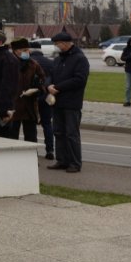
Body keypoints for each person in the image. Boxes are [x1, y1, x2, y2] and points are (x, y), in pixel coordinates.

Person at [47, 31, 89, 174]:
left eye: (57, 44)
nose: (56, 46)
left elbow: (79, 80)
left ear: (65, 43)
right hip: (57, 102)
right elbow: (50, 75)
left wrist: (58, 87)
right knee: (58, 132)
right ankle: (62, 160)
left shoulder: (79, 59)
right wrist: (49, 85)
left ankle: (75, 162)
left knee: (71, 134)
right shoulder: (58, 59)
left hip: (71, 102)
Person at [10, 38, 46, 143]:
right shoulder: (9, 63)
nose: (28, 52)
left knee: (31, 137)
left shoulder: (33, 64)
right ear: (16, 51)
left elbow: (42, 80)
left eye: (28, 49)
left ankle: (32, 157)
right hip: (13, 105)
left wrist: (37, 89)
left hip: (29, 106)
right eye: (24, 49)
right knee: (12, 136)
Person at [28, 41, 57, 159]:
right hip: (46, 97)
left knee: (31, 126)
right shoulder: (50, 62)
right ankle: (50, 150)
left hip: (31, 97)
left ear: (29, 50)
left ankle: (33, 151)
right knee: (47, 124)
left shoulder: (29, 62)